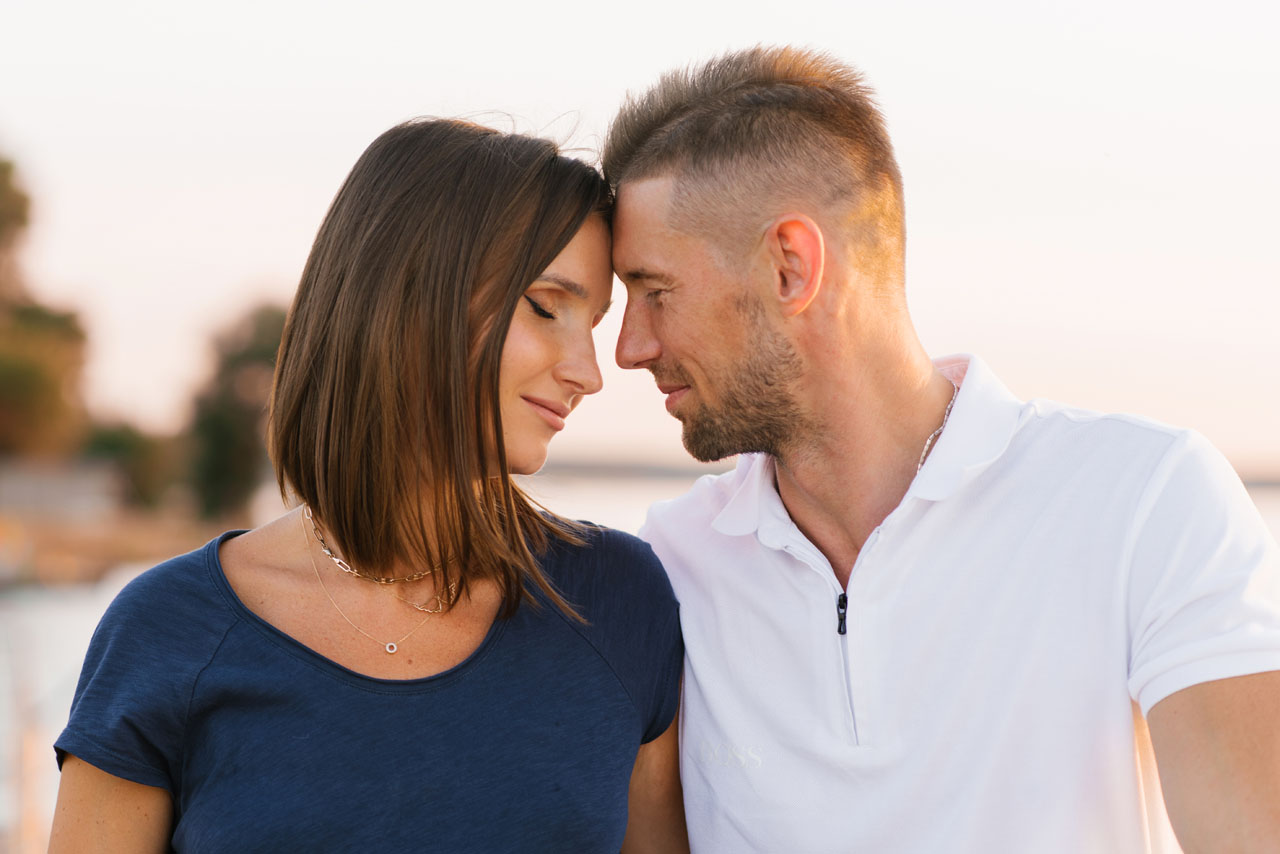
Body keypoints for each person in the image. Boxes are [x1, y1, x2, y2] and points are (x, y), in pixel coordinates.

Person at [603, 46, 1280, 853]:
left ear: (790, 267)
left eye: (655, 292)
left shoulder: (1144, 500)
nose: (629, 348)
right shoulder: (667, 568)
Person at [49, 119, 688, 853]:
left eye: (594, 324)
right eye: (546, 306)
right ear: (410, 297)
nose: (589, 372)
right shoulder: (168, 632)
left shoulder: (616, 601)